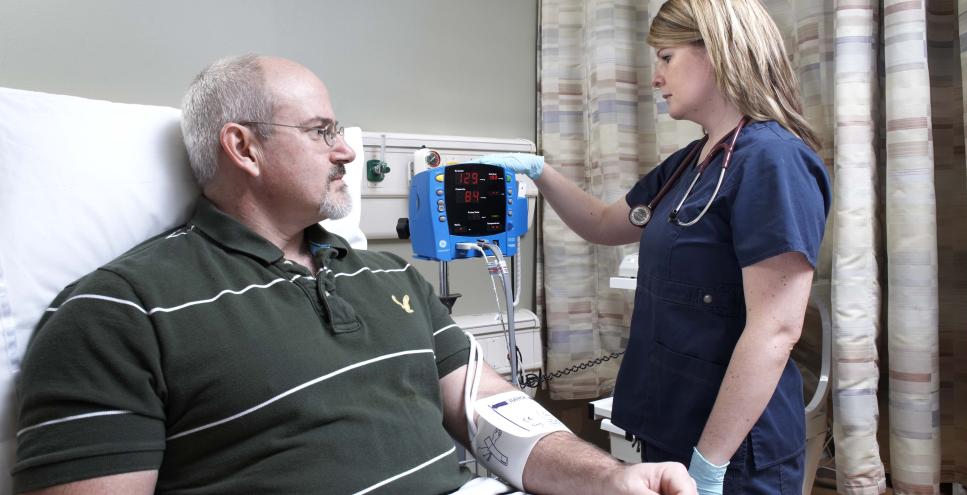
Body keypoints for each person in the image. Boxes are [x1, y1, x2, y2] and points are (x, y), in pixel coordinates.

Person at [11, 54, 695, 495]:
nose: (346, 149)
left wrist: (611, 476)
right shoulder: (119, 310)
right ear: (242, 146)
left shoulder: (384, 276)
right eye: (320, 130)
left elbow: (496, 415)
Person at [476, 0, 831, 494]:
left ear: (719, 53)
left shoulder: (773, 162)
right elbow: (603, 223)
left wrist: (710, 464)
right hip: (674, 428)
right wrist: (540, 171)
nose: (655, 77)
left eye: (666, 58)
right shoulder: (693, 162)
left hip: (735, 450)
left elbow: (776, 330)